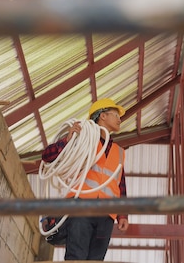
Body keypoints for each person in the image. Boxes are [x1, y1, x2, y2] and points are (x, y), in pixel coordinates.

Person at [41, 98, 130, 260]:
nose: (120, 119)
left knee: (96, 259)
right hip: (82, 206)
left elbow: (120, 184)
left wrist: (122, 215)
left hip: (106, 215)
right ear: (103, 116)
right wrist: (68, 141)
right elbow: (47, 156)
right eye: (116, 114)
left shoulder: (119, 152)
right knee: (77, 256)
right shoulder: (82, 139)